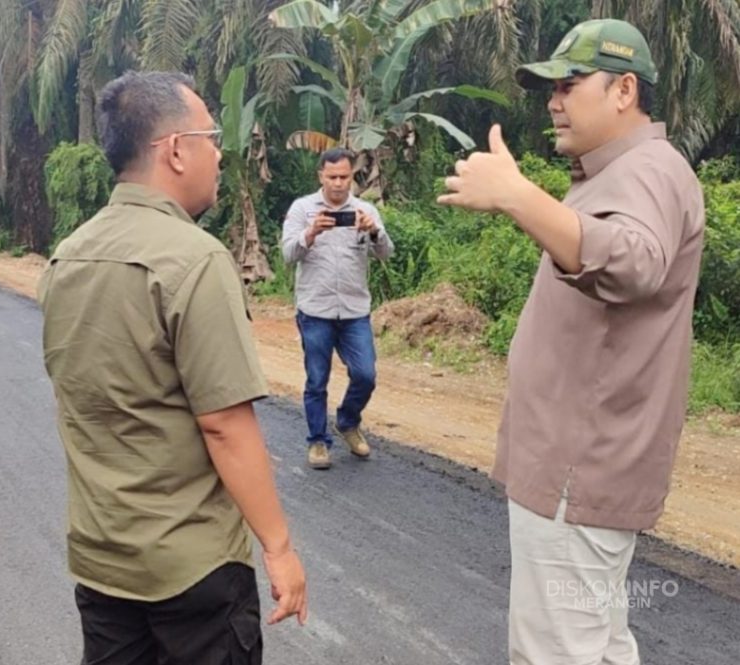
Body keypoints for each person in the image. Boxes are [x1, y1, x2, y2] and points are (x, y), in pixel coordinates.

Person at [438, 19, 705, 665]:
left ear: (624, 90)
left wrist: (518, 196)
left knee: (556, 650)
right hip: (577, 463)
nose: (554, 101)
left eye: (570, 83)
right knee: (597, 645)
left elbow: (635, 261)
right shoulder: (618, 172)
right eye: (551, 88)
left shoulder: (647, 169)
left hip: (577, 467)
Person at [37, 70, 308, 665]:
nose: (220, 154)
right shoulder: (195, 259)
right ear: (177, 150)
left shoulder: (67, 257)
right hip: (192, 569)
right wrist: (279, 547)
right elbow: (224, 425)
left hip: (103, 560)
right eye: (212, 138)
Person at [281, 149, 394, 470]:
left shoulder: (364, 210)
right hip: (315, 310)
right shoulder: (302, 209)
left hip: (354, 310)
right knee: (317, 379)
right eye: (332, 177)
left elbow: (386, 253)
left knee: (365, 375)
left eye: (344, 176)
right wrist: (311, 232)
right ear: (321, 176)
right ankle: (318, 441)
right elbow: (288, 254)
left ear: (352, 176)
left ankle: (347, 421)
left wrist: (374, 231)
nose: (338, 183)